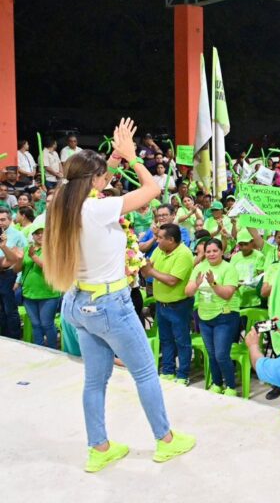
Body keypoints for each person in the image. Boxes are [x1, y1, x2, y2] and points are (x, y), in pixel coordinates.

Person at [43, 119, 194, 472]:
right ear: (93, 183)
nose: (106, 180)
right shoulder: (97, 209)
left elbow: (92, 179)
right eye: (102, 177)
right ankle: (166, 441)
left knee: (95, 380)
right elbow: (153, 190)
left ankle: (99, 448)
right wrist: (132, 156)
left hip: (79, 303)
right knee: (145, 373)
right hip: (111, 305)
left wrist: (114, 156)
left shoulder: (62, 203)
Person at [185, 238, 240, 396]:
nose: (211, 254)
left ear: (222, 251)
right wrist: (196, 284)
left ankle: (230, 386)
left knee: (221, 354)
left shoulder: (229, 269)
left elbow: (228, 294)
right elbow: (187, 292)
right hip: (204, 316)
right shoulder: (199, 267)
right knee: (212, 354)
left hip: (225, 316)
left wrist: (213, 283)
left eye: (215, 251)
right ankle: (217, 383)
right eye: (208, 251)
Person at [142, 223, 195, 385]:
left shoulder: (184, 254)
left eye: (160, 238)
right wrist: (145, 268)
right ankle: (168, 370)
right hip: (161, 304)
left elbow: (172, 280)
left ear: (171, 240)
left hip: (179, 306)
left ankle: (183, 374)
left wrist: (151, 272)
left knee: (182, 340)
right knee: (165, 339)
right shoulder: (160, 250)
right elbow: (148, 268)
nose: (156, 241)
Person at [15, 221, 61, 348]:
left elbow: (50, 269)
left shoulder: (53, 249)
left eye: (43, 233)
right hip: (29, 294)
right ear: (32, 236)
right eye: (37, 233)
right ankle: (38, 348)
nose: (40, 236)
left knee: (47, 324)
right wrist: (19, 260)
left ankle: (52, 350)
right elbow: (17, 270)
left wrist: (34, 257)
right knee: (35, 324)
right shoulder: (26, 249)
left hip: (48, 294)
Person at [0, 206, 25, 338]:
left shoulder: (17, 235)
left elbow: (22, 258)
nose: (0, 222)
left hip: (9, 275)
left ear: (10, 220)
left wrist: (17, 279)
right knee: (1, 310)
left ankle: (15, 337)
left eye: (3, 219)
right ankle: (3, 336)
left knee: (10, 310)